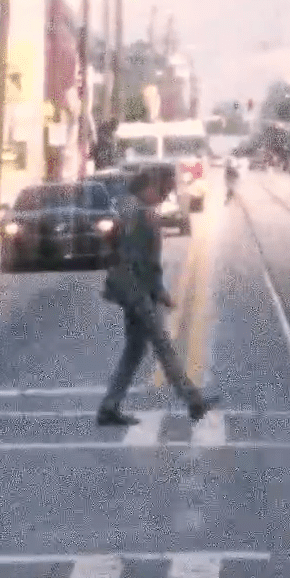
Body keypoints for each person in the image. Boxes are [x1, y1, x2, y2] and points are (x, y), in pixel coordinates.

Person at [97, 164, 218, 425]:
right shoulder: (143, 214)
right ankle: (194, 401)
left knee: (135, 349)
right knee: (163, 345)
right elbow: (145, 260)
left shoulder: (125, 207)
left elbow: (114, 245)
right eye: (164, 190)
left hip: (127, 288)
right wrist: (159, 289)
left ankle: (109, 406)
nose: (165, 196)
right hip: (138, 291)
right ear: (152, 185)